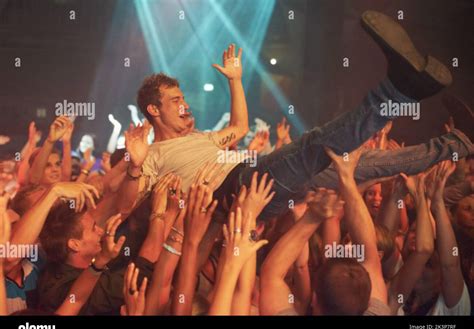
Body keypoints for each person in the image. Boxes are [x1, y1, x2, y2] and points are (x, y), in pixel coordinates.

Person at [119, 11, 472, 226]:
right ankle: (399, 88)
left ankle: (459, 142)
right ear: (153, 110)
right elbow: (123, 208)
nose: (185, 106)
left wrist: (236, 81)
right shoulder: (149, 157)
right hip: (243, 189)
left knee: (369, 162)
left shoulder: (199, 138)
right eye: (176, 100)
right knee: (311, 143)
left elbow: (239, 128)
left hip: (259, 172)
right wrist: (134, 168)